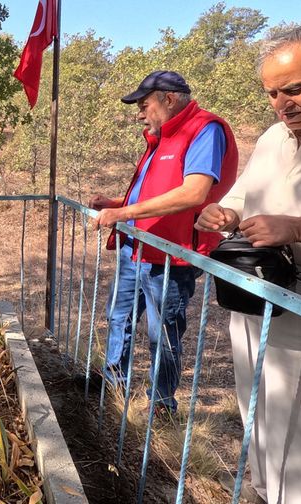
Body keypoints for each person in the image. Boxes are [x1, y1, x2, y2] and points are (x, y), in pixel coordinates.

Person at [196, 23, 301, 503]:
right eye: (272, 93)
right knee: (260, 411)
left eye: (295, 89)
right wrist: (226, 211)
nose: (282, 104)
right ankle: (262, 491)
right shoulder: (275, 137)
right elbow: (245, 193)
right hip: (255, 292)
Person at [89, 70, 238, 414]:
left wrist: (123, 214)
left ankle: (161, 405)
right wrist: (116, 206)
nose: (140, 113)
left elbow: (194, 192)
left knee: (163, 333)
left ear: (168, 99)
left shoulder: (204, 129)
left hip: (171, 255)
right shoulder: (162, 136)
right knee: (118, 317)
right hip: (137, 247)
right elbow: (156, 192)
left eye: (144, 104)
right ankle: (114, 383)